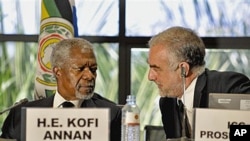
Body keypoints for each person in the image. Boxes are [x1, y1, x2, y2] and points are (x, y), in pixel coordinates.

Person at [0, 38, 121, 141]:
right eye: (80, 68)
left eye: (93, 69)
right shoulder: (20, 115)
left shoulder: (112, 115)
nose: (89, 76)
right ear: (58, 72)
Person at [147, 26, 250, 139]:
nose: (150, 76)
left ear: (183, 69)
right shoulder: (167, 104)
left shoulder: (228, 87)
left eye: (156, 69)